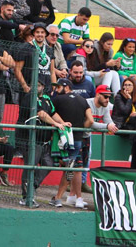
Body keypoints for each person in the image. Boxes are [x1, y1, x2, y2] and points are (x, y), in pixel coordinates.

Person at [16, 79, 68, 207]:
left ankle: (32, 186)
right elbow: (41, 114)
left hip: (44, 140)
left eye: (38, 85)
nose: (35, 87)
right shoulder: (29, 97)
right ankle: (26, 197)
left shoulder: (46, 98)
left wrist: (62, 123)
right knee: (30, 167)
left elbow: (52, 112)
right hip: (29, 139)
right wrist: (56, 124)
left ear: (43, 87)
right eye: (33, 84)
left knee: (50, 163)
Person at [50, 78, 94, 209]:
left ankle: (55, 197)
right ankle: (63, 197)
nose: (56, 90)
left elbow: (50, 113)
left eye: (58, 87)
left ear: (67, 87)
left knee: (55, 165)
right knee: (71, 167)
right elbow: (90, 120)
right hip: (78, 139)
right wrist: (78, 130)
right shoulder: (83, 100)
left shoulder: (57, 100)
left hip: (61, 138)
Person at [76, 85, 118, 196]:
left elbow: (108, 121)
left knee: (87, 158)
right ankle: (72, 184)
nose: (107, 100)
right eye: (105, 96)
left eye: (109, 97)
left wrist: (112, 126)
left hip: (87, 136)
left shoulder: (105, 106)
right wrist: (107, 126)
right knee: (75, 161)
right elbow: (90, 123)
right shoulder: (86, 103)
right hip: (77, 135)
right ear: (98, 94)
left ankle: (83, 183)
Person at [15, 22, 56, 106]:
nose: (40, 35)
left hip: (45, 90)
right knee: (26, 115)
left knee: (44, 115)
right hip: (30, 89)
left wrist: (53, 88)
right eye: (37, 32)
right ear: (33, 33)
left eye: (42, 32)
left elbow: (52, 72)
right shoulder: (25, 47)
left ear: (45, 34)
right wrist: (25, 86)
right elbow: (17, 69)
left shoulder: (49, 49)